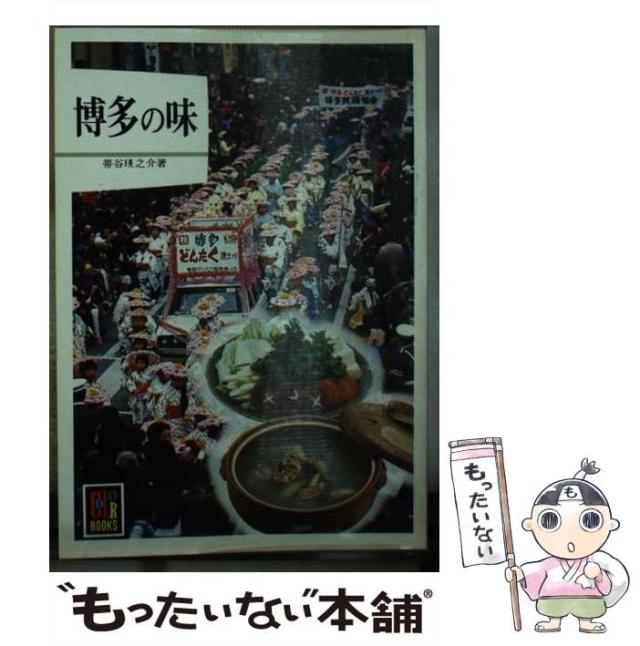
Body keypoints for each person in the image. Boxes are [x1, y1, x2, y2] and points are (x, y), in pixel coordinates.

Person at [505, 459, 629, 634]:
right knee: (551, 607)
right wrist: (519, 574)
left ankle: (586, 622)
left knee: (590, 608)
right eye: (550, 521)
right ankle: (553, 620)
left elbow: (605, 587)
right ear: (530, 524)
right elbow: (536, 573)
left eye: (590, 521)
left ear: (610, 524)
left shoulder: (594, 562)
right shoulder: (549, 564)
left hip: (588, 601)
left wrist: (599, 575)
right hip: (553, 600)